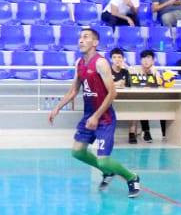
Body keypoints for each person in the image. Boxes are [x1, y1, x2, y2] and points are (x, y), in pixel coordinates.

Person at [48, 28, 141, 196]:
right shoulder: (79, 63)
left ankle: (131, 177)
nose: (81, 40)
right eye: (80, 37)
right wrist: (57, 108)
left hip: (104, 118)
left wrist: (96, 116)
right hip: (88, 116)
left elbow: (112, 93)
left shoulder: (100, 63)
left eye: (86, 37)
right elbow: (73, 90)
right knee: (77, 152)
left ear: (95, 43)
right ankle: (107, 172)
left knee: (103, 160)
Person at [128, 48, 169, 140]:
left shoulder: (155, 71)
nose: (146, 61)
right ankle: (146, 132)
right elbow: (133, 84)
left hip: (155, 98)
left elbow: (158, 84)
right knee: (142, 105)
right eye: (143, 58)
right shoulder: (135, 70)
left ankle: (164, 133)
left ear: (153, 61)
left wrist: (151, 72)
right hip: (140, 98)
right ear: (140, 60)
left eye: (148, 58)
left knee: (164, 107)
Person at [107, 48, 140, 145]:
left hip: (124, 97)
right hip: (110, 98)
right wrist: (116, 84)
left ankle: (132, 133)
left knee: (135, 106)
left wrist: (127, 67)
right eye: (114, 57)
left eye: (119, 57)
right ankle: (108, 134)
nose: (117, 59)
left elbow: (133, 84)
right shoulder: (107, 70)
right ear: (111, 59)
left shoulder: (125, 71)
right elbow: (103, 85)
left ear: (123, 59)